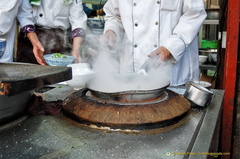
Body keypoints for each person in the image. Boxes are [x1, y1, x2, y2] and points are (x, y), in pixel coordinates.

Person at [101, 0, 207, 86]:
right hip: (130, 71)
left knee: (175, 109)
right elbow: (114, 16)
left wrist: (171, 48)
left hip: (173, 72)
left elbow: (194, 14)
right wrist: (111, 32)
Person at [17, 0, 87, 65]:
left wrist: (76, 49)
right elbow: (24, 14)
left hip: (57, 40)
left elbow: (78, 19)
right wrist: (35, 42)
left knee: (53, 75)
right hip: (31, 37)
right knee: (27, 74)